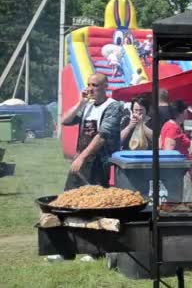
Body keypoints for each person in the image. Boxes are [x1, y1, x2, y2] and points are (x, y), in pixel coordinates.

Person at [51, 73, 121, 262]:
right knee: (68, 202)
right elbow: (65, 121)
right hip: (80, 161)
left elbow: (102, 136)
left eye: (95, 85)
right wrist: (80, 102)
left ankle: (94, 250)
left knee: (95, 206)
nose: (91, 88)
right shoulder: (87, 105)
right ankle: (66, 249)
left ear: (106, 86)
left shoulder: (113, 107)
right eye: (89, 84)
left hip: (99, 163)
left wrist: (81, 158)